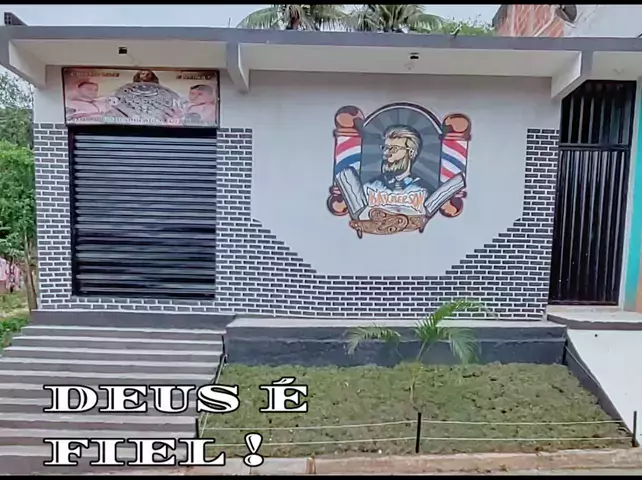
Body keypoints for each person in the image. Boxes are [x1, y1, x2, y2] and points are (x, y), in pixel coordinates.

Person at [363, 126, 433, 215]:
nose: (386, 153)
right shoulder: (369, 187)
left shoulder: (425, 191)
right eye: (384, 148)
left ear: (411, 152)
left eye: (393, 149)